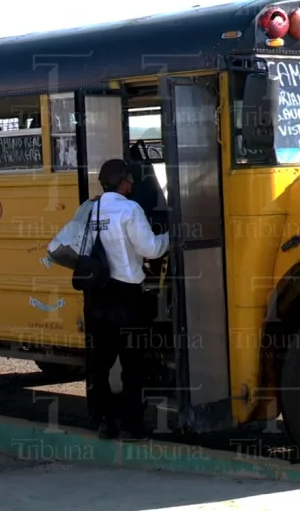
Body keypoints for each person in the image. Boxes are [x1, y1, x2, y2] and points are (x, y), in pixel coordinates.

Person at [85, 158, 170, 440]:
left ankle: (103, 422)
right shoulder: (130, 210)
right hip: (126, 296)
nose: (133, 184)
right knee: (133, 364)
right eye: (130, 180)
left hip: (96, 296)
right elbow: (150, 249)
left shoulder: (89, 209)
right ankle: (131, 425)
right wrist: (171, 238)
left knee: (100, 363)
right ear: (123, 182)